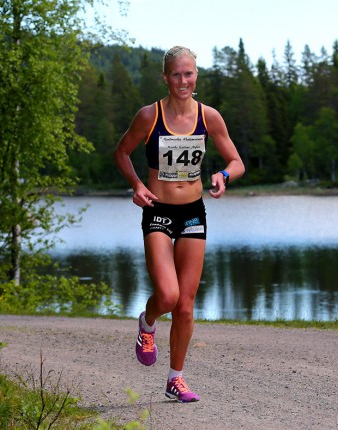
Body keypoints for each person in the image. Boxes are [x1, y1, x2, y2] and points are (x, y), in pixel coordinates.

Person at [113, 45, 245, 403]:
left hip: (192, 212)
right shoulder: (149, 116)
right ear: (165, 77)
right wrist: (138, 186)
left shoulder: (210, 117)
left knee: (186, 304)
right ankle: (147, 322)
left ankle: (176, 379)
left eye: (188, 74)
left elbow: (236, 161)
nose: (182, 80)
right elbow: (121, 151)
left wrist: (222, 176)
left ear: (196, 75)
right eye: (176, 74)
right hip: (158, 211)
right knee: (168, 296)